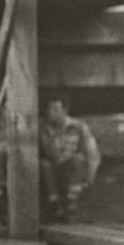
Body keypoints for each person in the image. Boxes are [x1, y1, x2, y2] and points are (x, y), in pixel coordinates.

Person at [39, 93, 101, 222]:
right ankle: (54, 202)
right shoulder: (44, 128)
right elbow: (48, 151)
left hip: (71, 167)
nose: (51, 113)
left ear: (65, 111)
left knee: (77, 159)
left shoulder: (79, 126)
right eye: (49, 109)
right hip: (54, 167)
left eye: (56, 109)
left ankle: (72, 202)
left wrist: (91, 175)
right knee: (45, 164)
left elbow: (92, 151)